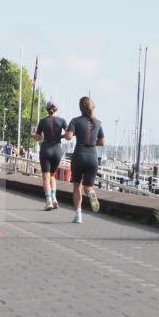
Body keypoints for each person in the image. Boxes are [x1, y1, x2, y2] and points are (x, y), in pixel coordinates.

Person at [64, 96, 106, 224]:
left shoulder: (75, 121)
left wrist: (68, 133)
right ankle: (91, 193)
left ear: (80, 107)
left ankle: (78, 215)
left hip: (79, 156)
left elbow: (69, 136)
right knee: (88, 187)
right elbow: (102, 142)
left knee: (77, 186)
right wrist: (93, 142)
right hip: (92, 157)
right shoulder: (98, 123)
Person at [34, 101, 68, 210]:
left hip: (46, 150)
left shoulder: (43, 121)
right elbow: (69, 135)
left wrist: (34, 136)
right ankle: (54, 199)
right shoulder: (62, 121)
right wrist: (60, 136)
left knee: (46, 177)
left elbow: (38, 137)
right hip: (57, 150)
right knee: (52, 176)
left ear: (47, 109)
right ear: (56, 109)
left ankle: (48, 201)